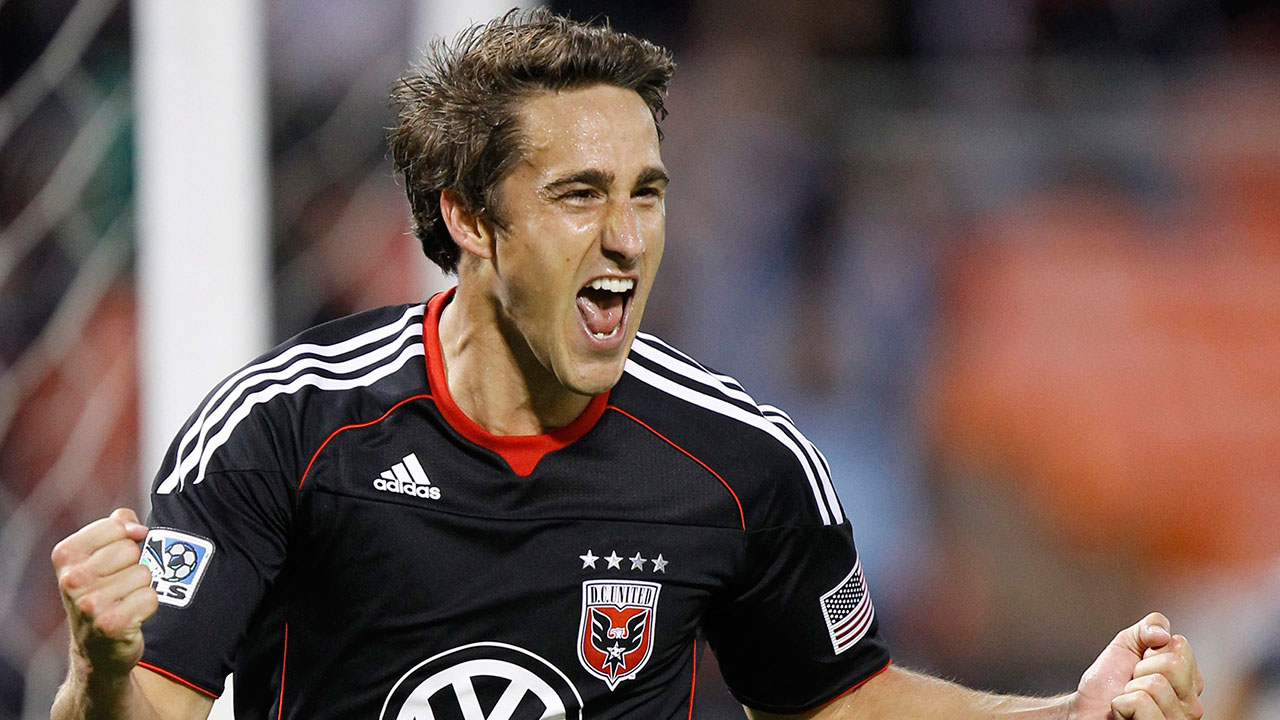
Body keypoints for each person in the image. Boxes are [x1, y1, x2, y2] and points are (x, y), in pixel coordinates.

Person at [49, 9, 1202, 720]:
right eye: (578, 194)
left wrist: (1067, 713)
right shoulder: (284, 431)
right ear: (467, 218)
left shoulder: (740, 461)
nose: (626, 238)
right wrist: (100, 669)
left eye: (645, 193)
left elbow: (843, 702)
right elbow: (150, 709)